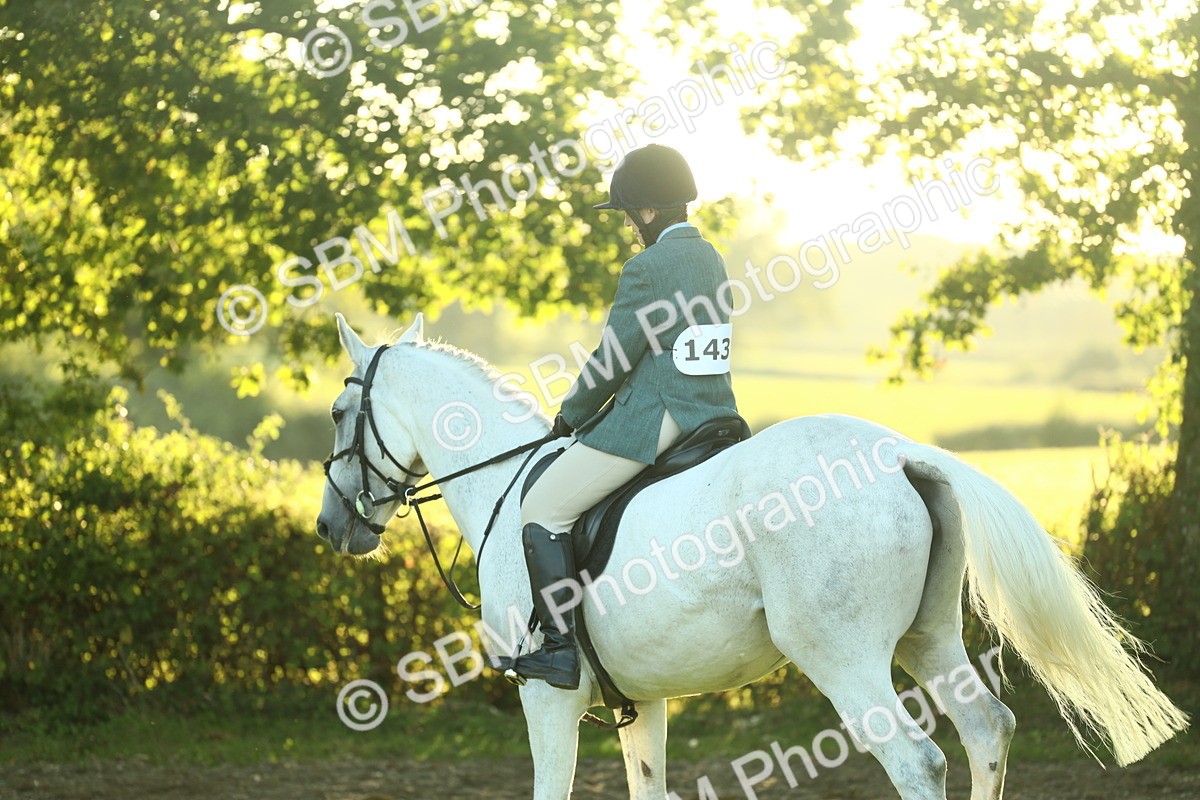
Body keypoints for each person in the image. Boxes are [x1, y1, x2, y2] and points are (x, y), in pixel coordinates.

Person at [512, 143, 740, 690]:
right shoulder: (711, 257)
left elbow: (614, 358)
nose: (629, 229)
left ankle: (560, 649)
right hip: (714, 412)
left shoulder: (647, 267)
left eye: (628, 216)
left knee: (542, 507)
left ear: (648, 211)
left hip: (657, 417)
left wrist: (570, 415)